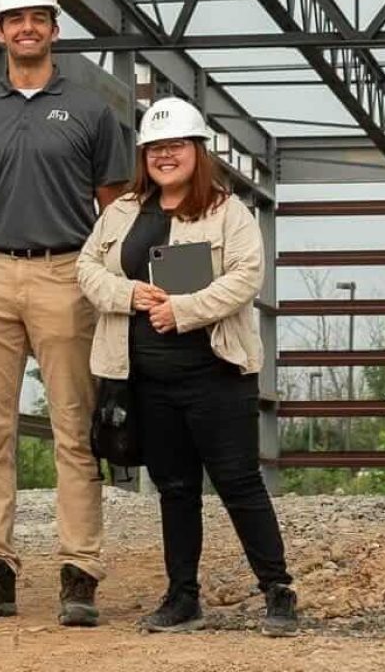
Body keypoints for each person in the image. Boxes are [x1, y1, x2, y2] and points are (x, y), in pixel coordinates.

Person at [0, 0, 130, 627]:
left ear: (54, 29)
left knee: (73, 430)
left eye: (39, 18)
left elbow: (113, 212)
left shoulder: (89, 112)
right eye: (15, 19)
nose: (27, 27)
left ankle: (79, 572)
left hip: (64, 274)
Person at [76, 97, 298, 637]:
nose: (165, 156)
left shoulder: (229, 212)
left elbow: (247, 276)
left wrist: (184, 309)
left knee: (238, 482)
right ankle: (182, 597)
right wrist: (128, 294)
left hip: (216, 374)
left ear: (197, 151)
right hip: (146, 377)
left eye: (176, 146)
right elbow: (86, 267)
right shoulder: (123, 211)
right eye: (155, 148)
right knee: (174, 488)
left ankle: (277, 589)